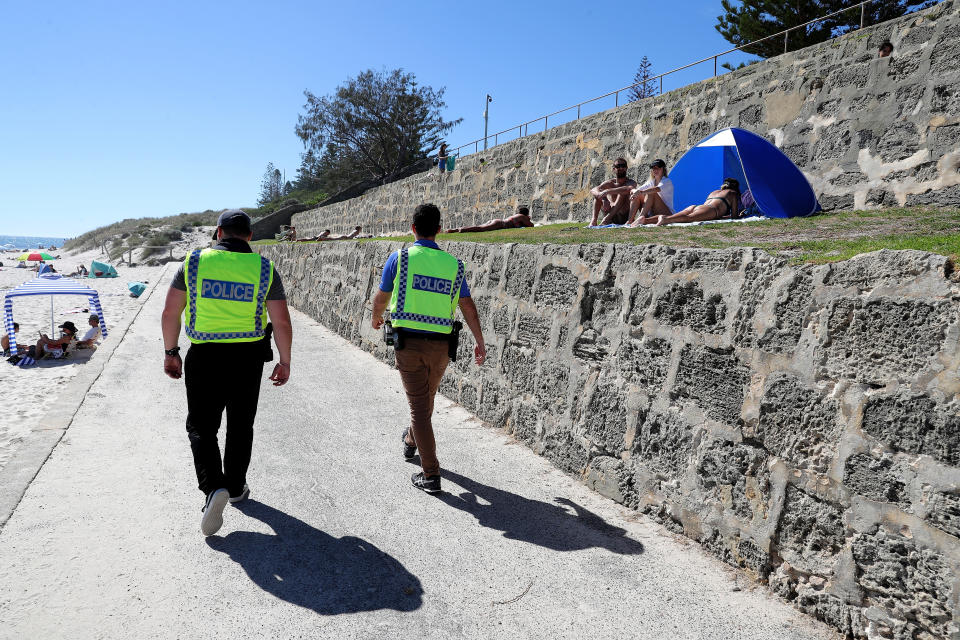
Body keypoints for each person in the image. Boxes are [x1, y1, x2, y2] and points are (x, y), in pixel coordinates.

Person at [161, 209, 293, 537]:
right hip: (247, 358)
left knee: (202, 427)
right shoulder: (264, 268)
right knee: (240, 424)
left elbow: (170, 311)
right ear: (248, 236)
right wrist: (285, 360)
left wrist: (171, 352)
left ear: (219, 233)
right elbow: (281, 320)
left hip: (204, 355)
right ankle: (234, 486)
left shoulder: (194, 263)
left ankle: (212, 488)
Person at [370, 203, 487, 494]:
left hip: (408, 344)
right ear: (439, 229)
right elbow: (468, 306)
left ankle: (431, 474)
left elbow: (383, 295)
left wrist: (376, 316)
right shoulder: (454, 265)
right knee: (425, 400)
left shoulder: (400, 258)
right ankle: (411, 441)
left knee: (420, 408)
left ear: (413, 229)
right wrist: (480, 341)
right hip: (442, 347)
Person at [653, 178, 741, 226]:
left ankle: (645, 221)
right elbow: (734, 217)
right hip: (711, 210)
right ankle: (665, 219)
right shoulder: (732, 193)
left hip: (697, 207)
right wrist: (740, 215)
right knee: (689, 218)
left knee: (675, 216)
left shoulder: (714, 192)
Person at [589, 158, 637, 226]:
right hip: (612, 218)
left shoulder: (630, 182)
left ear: (626, 168)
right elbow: (593, 189)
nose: (621, 168)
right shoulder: (610, 183)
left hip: (624, 216)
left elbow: (628, 189)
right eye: (618, 166)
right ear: (614, 169)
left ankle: (606, 219)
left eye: (623, 166)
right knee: (598, 196)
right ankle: (594, 220)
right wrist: (604, 199)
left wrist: (607, 191)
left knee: (622, 192)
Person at [627, 159, 675, 226]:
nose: (655, 170)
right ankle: (630, 220)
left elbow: (656, 189)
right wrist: (634, 192)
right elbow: (637, 190)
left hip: (667, 214)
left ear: (663, 169)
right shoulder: (651, 182)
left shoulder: (667, 181)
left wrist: (641, 192)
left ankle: (640, 218)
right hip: (654, 213)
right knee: (637, 195)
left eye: (658, 168)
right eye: (653, 168)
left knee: (651, 192)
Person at [445, 206, 534, 233]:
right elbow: (531, 226)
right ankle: (462, 230)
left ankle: (455, 230)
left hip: (498, 221)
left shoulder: (517, 216)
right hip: (500, 224)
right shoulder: (523, 217)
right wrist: (529, 219)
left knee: (479, 227)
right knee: (480, 229)